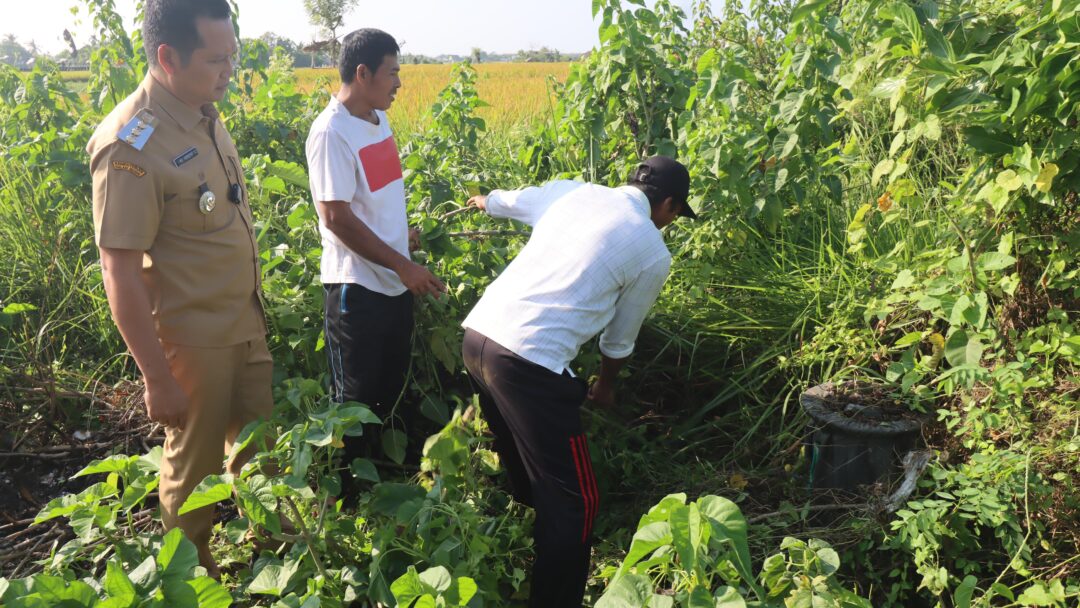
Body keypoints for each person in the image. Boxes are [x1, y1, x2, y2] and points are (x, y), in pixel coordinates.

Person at [86, 0, 271, 576]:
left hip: (244, 321)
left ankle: (278, 562)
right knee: (192, 479)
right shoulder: (131, 145)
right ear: (168, 57)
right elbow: (118, 270)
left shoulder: (202, 111)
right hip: (193, 341)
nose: (229, 70)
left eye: (232, 56)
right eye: (217, 59)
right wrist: (156, 379)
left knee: (259, 455)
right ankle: (191, 580)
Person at [461, 156, 696, 607]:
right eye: (675, 214)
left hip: (478, 338)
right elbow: (619, 338)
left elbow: (515, 200)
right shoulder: (652, 251)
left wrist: (485, 201)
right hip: (527, 363)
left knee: (531, 474)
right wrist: (605, 387)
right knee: (577, 501)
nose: (670, 223)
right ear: (667, 204)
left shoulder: (577, 191)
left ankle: (521, 550)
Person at [305, 28, 445, 501]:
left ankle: (385, 491)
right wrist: (403, 267)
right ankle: (346, 505)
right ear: (362, 74)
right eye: (393, 73)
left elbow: (371, 200)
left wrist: (399, 238)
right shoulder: (331, 132)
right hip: (357, 290)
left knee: (391, 388)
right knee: (355, 404)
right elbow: (337, 217)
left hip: (391, 282)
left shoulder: (377, 119)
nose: (399, 83)